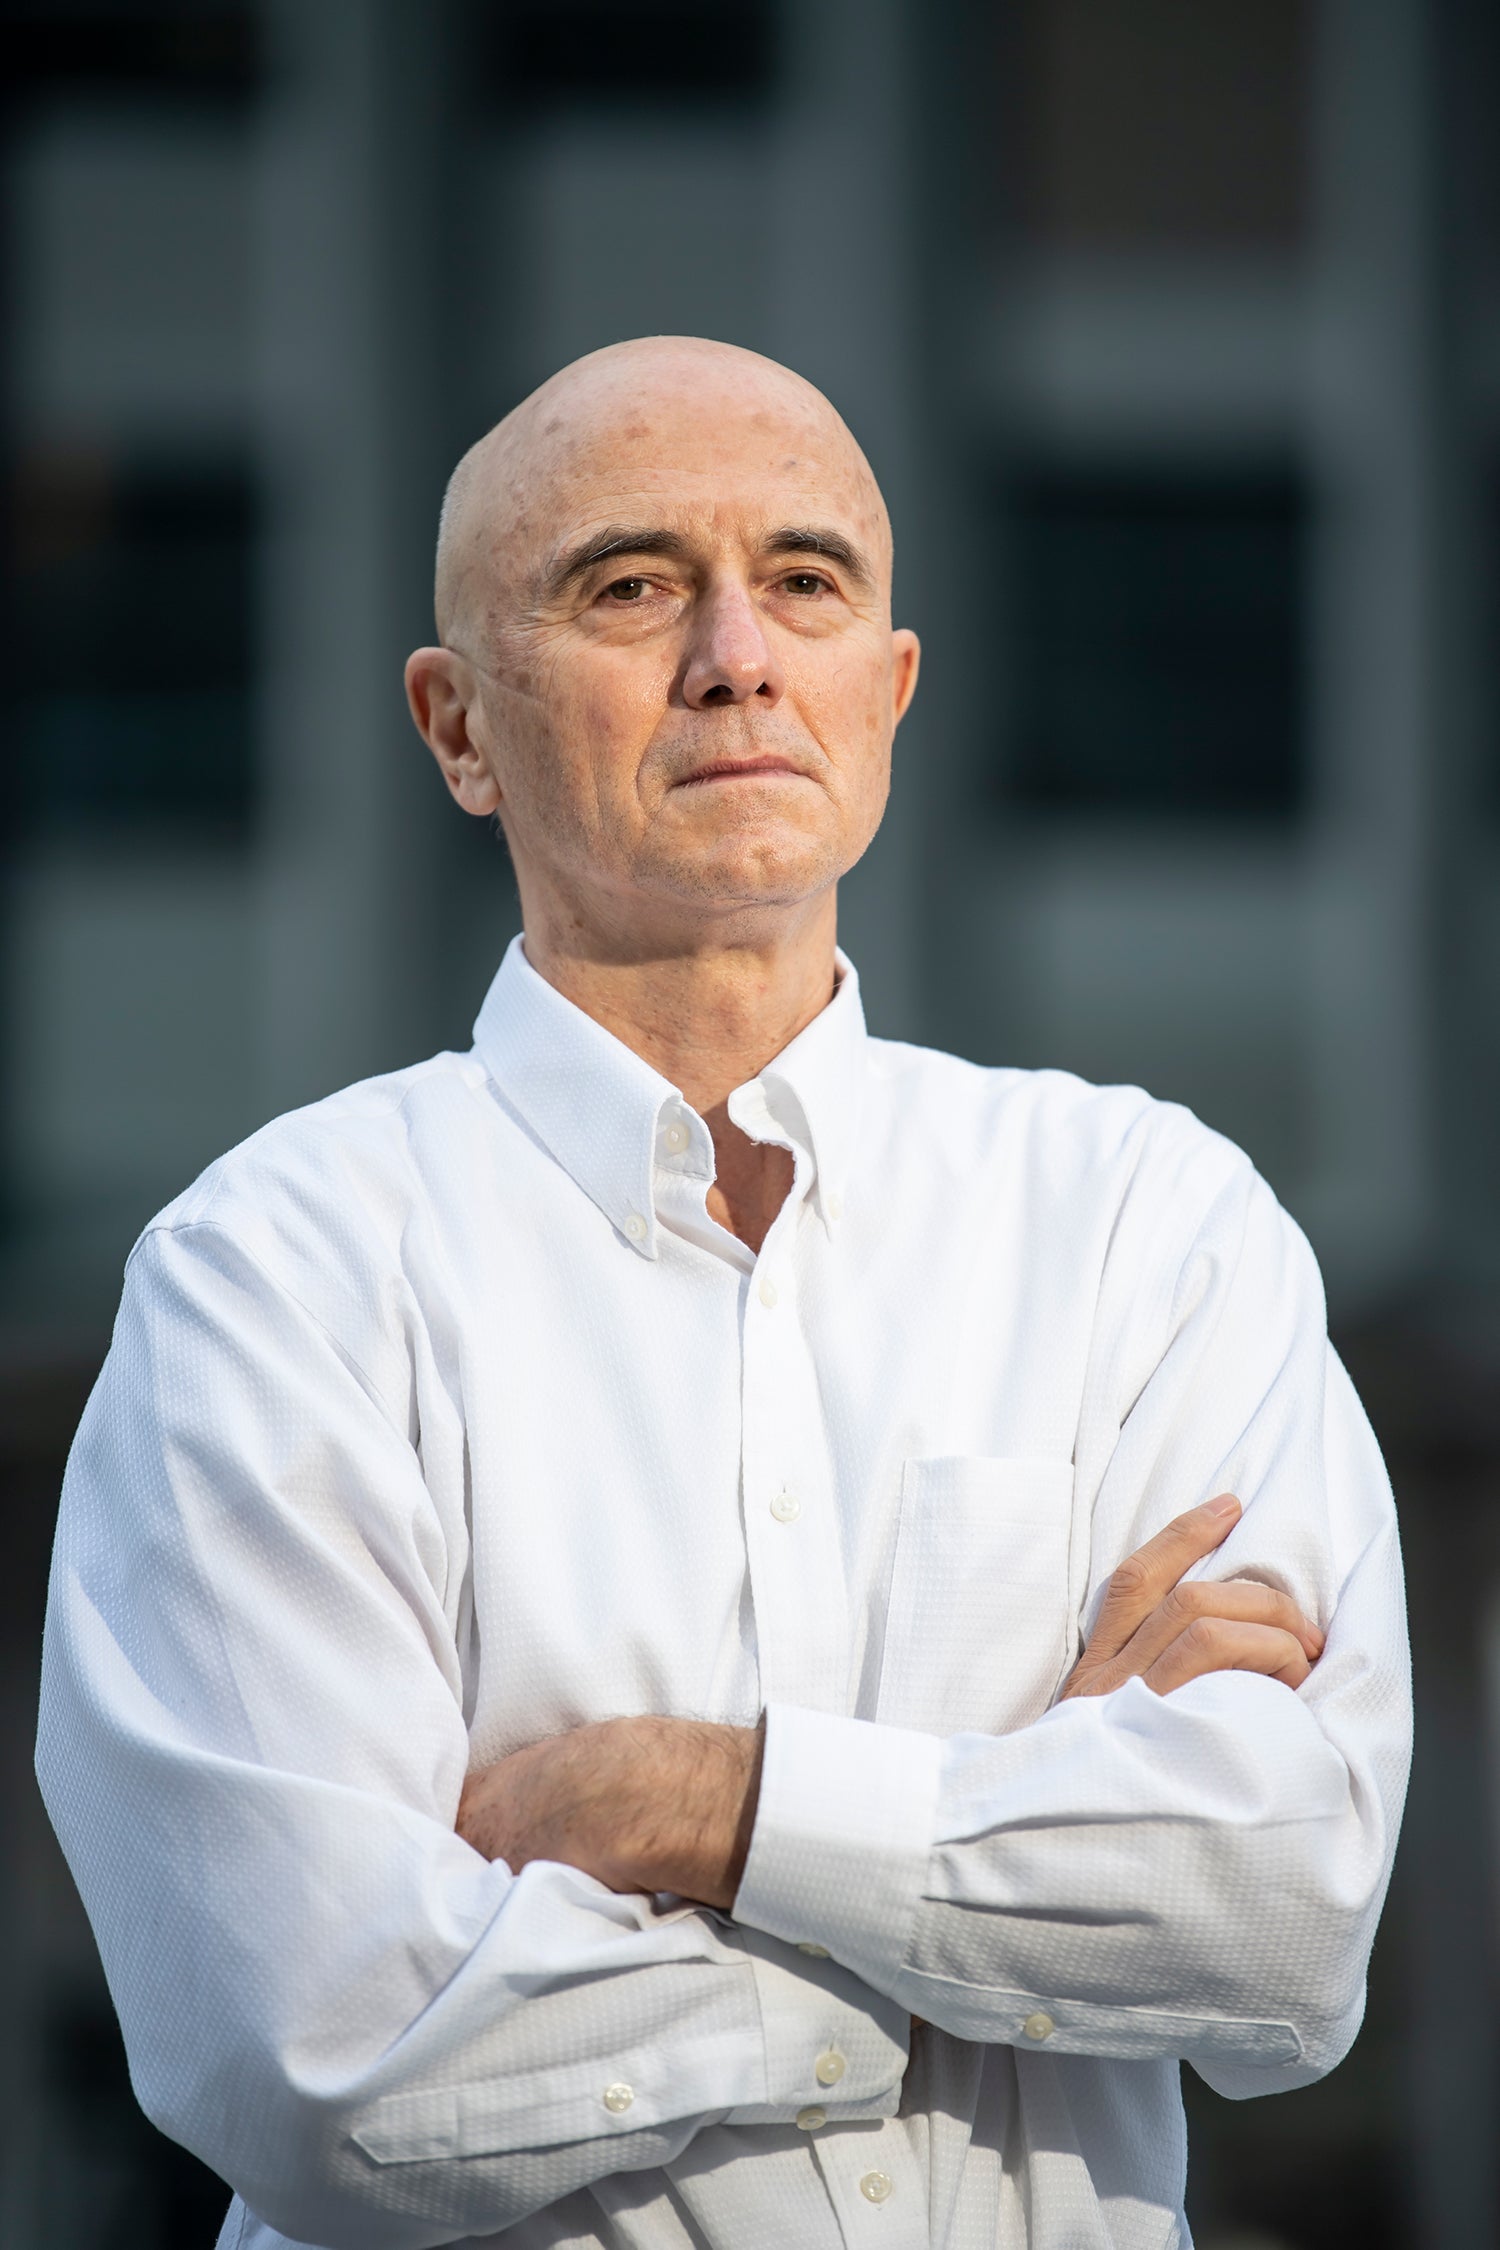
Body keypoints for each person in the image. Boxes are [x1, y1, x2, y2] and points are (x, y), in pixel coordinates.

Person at [37, 337, 1410, 2250]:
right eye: (629, 585)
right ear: (455, 727)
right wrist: (999, 1884)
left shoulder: (1146, 1224)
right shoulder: (268, 1279)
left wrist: (695, 1804)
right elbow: (314, 2062)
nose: (738, 653)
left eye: (808, 581)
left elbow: (1288, 1925)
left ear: (892, 690)